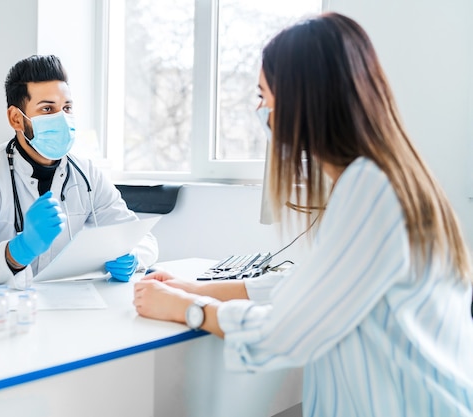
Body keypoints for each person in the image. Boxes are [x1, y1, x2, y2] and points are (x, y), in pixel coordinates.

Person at [134, 12, 473, 416]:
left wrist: (184, 308)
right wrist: (196, 288)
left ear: (302, 99)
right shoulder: (379, 178)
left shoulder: (370, 188)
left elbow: (289, 330)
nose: (261, 111)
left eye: (263, 96)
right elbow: (315, 287)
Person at [0, 55, 158, 288]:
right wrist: (20, 250)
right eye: (47, 109)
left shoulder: (87, 174)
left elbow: (141, 238)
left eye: (67, 108)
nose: (62, 119)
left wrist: (134, 256)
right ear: (16, 119)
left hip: (61, 307)